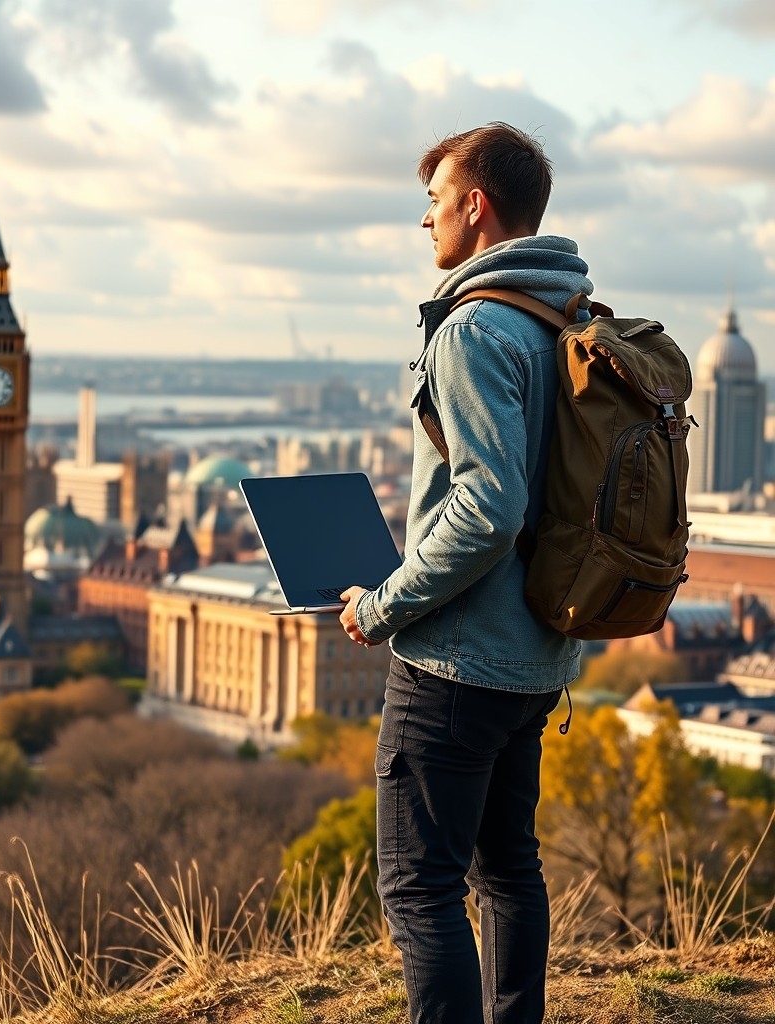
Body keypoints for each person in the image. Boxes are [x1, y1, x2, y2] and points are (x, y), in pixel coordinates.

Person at [339, 123, 591, 1024]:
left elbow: (489, 509)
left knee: (419, 889)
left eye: (436, 200)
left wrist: (384, 605)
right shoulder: (570, 317)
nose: (426, 220)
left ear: (475, 207)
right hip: (539, 651)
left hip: (454, 659)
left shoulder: (475, 328)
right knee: (509, 873)